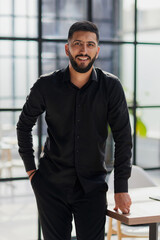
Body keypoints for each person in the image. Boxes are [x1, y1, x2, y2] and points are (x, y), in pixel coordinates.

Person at [17, 21, 132, 240]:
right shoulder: (46, 86)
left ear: (97, 51)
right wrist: (32, 172)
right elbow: (23, 126)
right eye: (77, 43)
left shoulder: (111, 87)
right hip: (51, 187)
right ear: (67, 48)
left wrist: (121, 187)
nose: (83, 50)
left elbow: (123, 138)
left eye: (90, 44)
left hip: (93, 188)